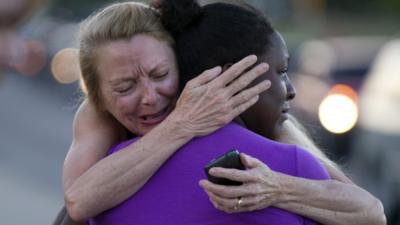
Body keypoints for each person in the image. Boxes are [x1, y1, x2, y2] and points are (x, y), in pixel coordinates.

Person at [60, 1, 385, 225]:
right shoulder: (97, 117)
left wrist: (277, 187)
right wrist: (182, 124)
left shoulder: (246, 112)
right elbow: (77, 203)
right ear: (99, 96)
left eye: (160, 75)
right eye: (124, 87)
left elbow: (366, 209)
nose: (149, 97)